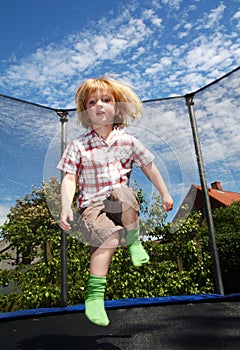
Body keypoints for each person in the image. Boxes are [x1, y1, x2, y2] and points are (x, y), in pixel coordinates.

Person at [58, 75, 173, 327]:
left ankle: (133, 241)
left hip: (119, 203)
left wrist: (165, 193)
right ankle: (95, 297)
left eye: (106, 100)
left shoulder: (128, 141)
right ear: (86, 112)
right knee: (107, 238)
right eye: (92, 102)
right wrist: (66, 206)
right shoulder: (78, 145)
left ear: (116, 107)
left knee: (122, 192)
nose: (99, 105)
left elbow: (149, 166)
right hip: (91, 206)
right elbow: (69, 178)